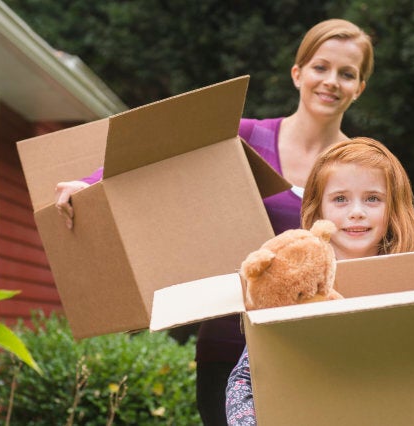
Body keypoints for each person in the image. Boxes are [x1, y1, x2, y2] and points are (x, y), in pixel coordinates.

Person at [55, 18, 375, 425]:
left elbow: (385, 240)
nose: (331, 81)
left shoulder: (360, 165)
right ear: (297, 73)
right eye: (320, 67)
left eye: (347, 74)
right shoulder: (245, 137)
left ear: (359, 87)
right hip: (229, 346)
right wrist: (88, 184)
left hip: (318, 347)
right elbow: (161, 158)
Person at [225, 137, 414, 425]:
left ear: (393, 208)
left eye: (372, 198)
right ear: (319, 210)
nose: (356, 211)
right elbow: (246, 378)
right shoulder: (294, 284)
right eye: (340, 199)